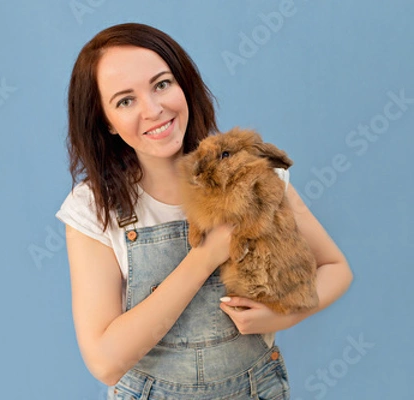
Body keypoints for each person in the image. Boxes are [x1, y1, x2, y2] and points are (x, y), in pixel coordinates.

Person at [56, 22, 353, 399]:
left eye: (162, 84)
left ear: (184, 85)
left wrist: (283, 314)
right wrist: (207, 255)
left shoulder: (248, 170)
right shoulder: (94, 208)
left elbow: (336, 269)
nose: (154, 109)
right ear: (106, 122)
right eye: (125, 100)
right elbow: (105, 362)